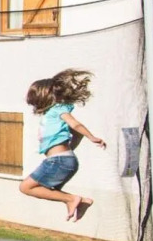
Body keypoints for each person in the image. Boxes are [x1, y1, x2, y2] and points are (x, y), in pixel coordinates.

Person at [19, 68, 106, 222]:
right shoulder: (51, 114)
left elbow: (76, 125)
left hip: (58, 161)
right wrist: (69, 151)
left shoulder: (57, 109)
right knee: (47, 190)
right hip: (63, 160)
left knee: (26, 187)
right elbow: (76, 134)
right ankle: (80, 202)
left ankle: (72, 199)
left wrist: (91, 137)